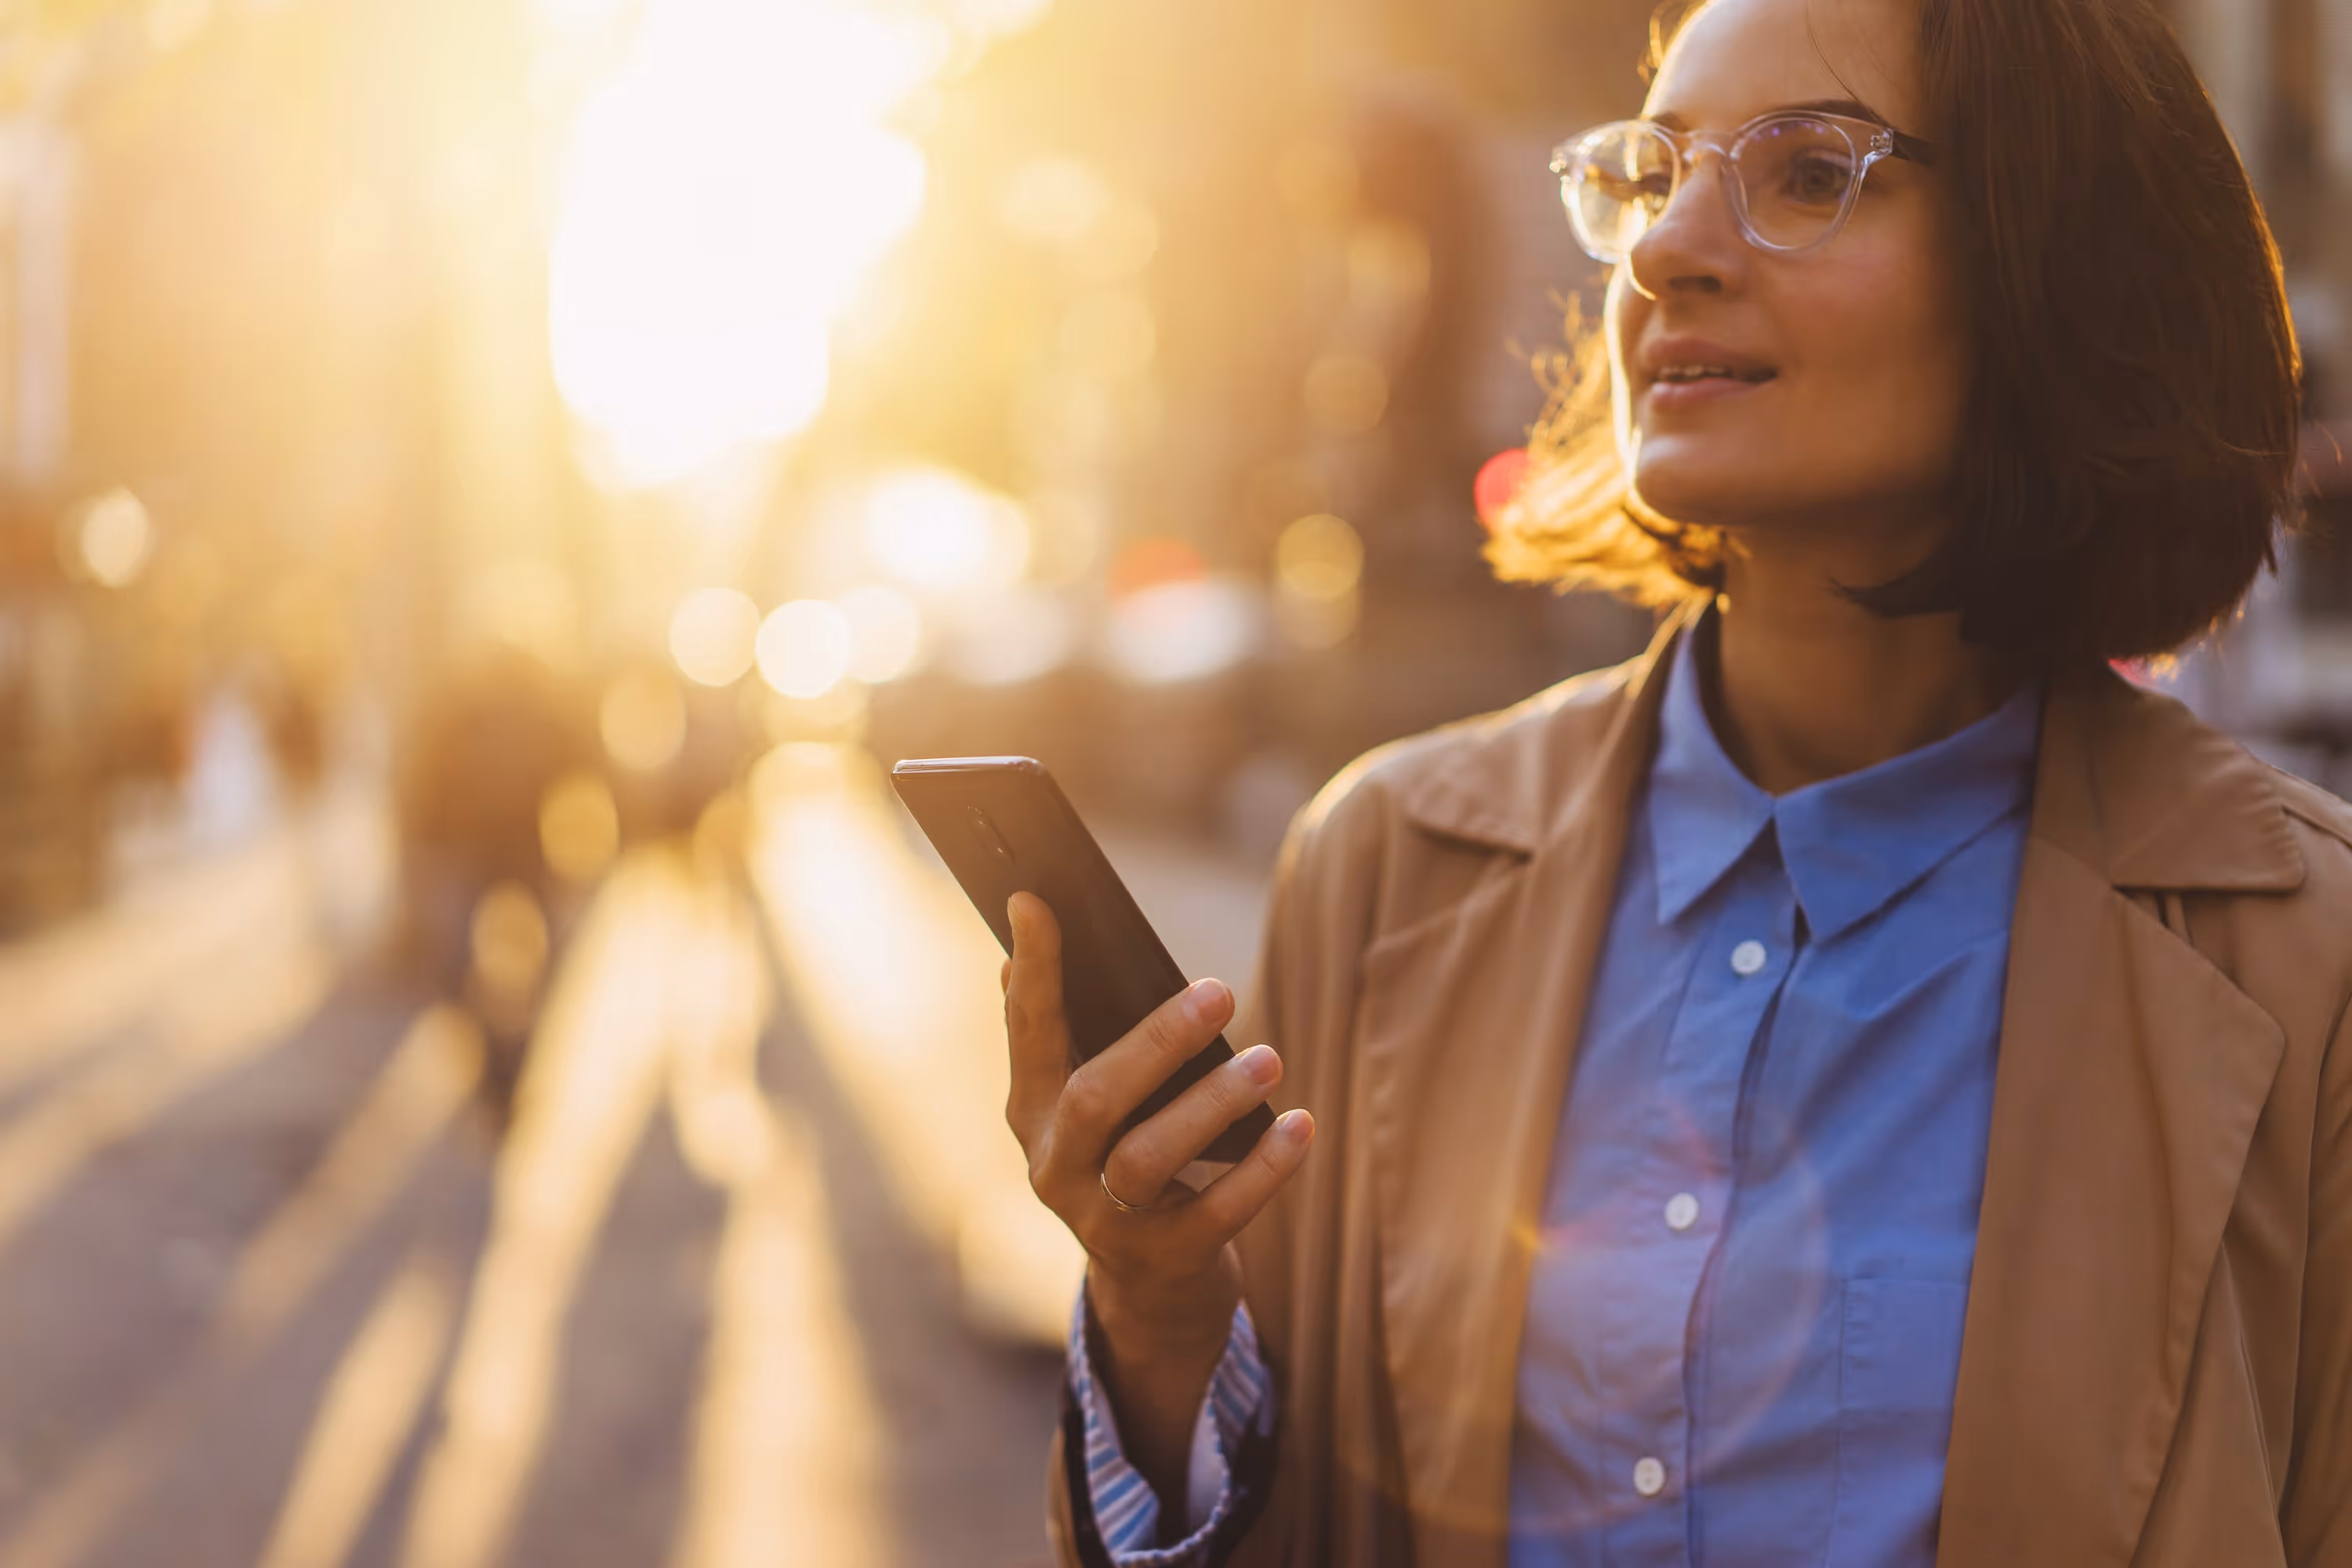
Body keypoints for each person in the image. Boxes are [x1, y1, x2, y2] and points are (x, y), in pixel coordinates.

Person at [1000, 0, 2350, 1561]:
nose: (1665, 252)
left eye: (1804, 172)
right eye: (1653, 176)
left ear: (2051, 268)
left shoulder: (2299, 960)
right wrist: (1162, 1319)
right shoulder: (1382, 863)